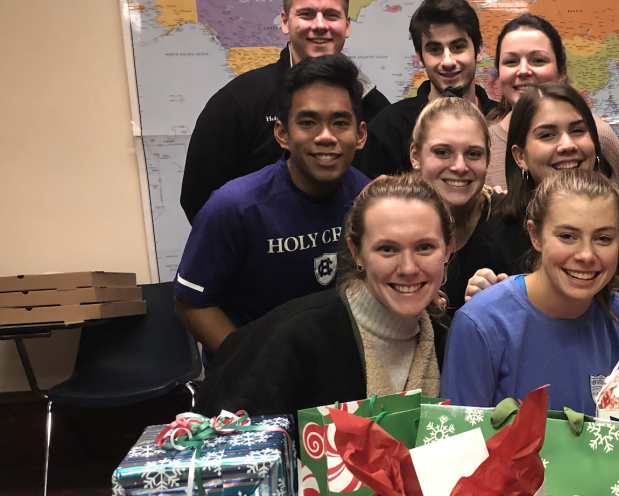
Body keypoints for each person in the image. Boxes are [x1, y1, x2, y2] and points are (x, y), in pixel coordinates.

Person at [194, 173, 450, 416]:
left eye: (425, 247)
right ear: (357, 252)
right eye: (387, 249)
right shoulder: (291, 341)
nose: (408, 268)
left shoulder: (452, 341)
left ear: (447, 249)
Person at [173, 54, 370, 353]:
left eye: (340, 122)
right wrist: (250, 363)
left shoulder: (369, 199)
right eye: (308, 122)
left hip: (337, 371)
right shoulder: (234, 206)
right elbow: (192, 303)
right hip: (254, 377)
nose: (326, 136)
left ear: (360, 135)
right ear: (282, 134)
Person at [180, 0, 389, 223]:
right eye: (307, 14)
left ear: (347, 25)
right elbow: (198, 199)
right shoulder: (237, 103)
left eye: (331, 15)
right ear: (284, 21)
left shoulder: (375, 107)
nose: (320, 25)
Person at [441, 170, 619, 415]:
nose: (586, 255)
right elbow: (461, 442)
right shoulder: (481, 324)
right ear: (535, 235)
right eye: (567, 236)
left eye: (603, 238)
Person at [464, 82, 619, 298]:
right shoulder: (492, 242)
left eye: (577, 130)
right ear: (520, 156)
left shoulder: (613, 217)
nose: (567, 145)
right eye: (547, 135)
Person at [483, 14, 619, 205]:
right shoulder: (483, 146)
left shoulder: (599, 136)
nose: (523, 70)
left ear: (562, 72)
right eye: (511, 62)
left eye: (538, 60)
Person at [358, 0, 498, 178]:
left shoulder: (505, 121)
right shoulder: (388, 129)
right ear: (419, 56)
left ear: (479, 50)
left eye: (457, 47)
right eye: (435, 50)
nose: (447, 61)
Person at [408, 95, 517, 315]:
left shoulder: (512, 226)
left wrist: (502, 309)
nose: (459, 166)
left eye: (473, 154)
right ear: (415, 156)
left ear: (487, 159)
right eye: (442, 152)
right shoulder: (389, 222)